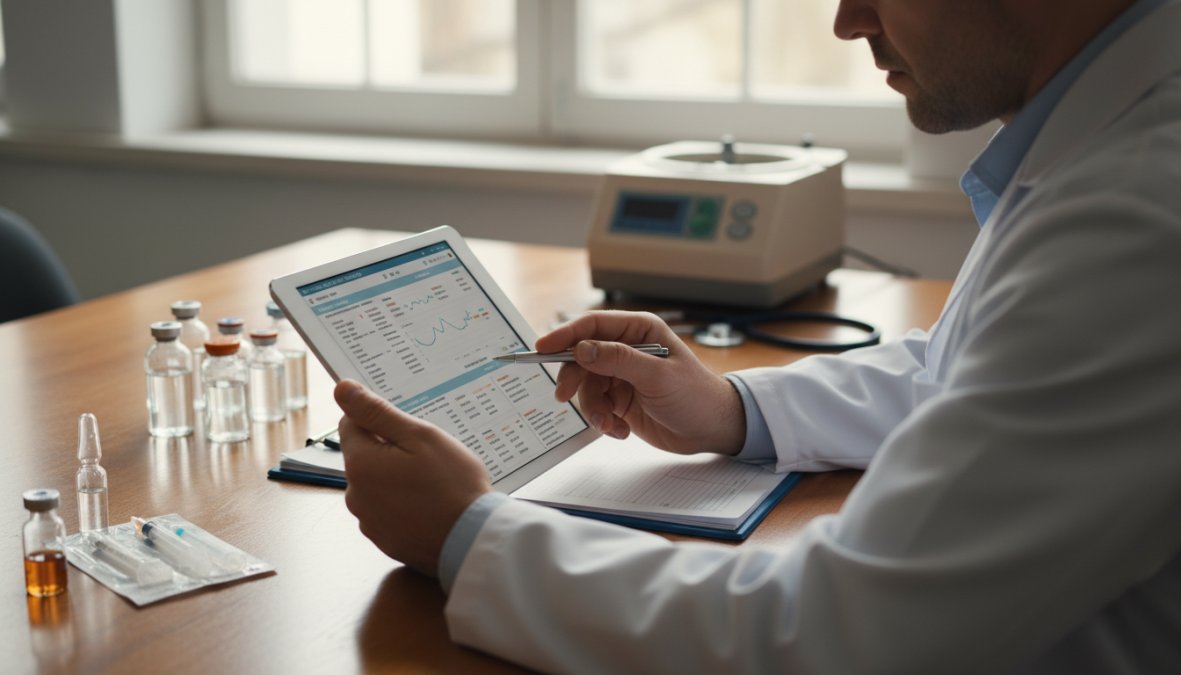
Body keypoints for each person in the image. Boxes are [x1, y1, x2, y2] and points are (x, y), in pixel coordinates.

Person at [335, 0, 1181, 672]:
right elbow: (963, 377)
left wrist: (466, 533)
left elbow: (828, 636)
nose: (847, 19)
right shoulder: (1105, 147)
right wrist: (730, 408)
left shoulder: (1137, 210)